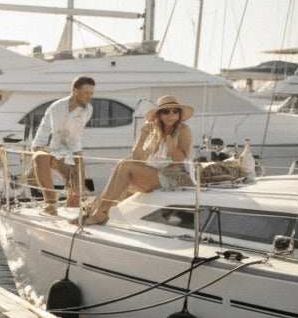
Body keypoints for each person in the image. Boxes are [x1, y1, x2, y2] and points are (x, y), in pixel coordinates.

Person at [84, 95, 195, 226]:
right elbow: (137, 159)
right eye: (166, 111)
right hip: (159, 176)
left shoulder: (183, 130)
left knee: (125, 166)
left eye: (174, 111)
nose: (171, 115)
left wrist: (171, 145)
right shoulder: (157, 133)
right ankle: (100, 209)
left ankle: (101, 212)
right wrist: (143, 136)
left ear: (179, 114)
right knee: (122, 163)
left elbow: (181, 162)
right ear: (159, 115)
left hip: (175, 179)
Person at [30, 75, 96, 215]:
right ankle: (50, 203)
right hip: (45, 145)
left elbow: (75, 135)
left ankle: (71, 209)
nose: (89, 96)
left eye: (91, 93)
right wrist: (56, 156)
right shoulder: (58, 107)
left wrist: (77, 159)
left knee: (77, 180)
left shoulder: (88, 109)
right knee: (41, 158)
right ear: (76, 91)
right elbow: (57, 133)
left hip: (66, 147)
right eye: (86, 93)